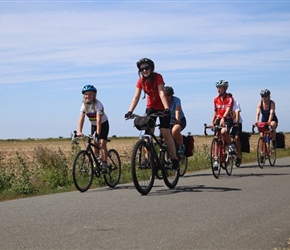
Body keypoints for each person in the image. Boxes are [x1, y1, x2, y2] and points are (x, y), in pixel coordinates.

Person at [124, 58, 179, 170]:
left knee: (165, 133)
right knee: (147, 133)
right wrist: (130, 111)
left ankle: (174, 158)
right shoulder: (140, 81)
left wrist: (167, 108)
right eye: (142, 69)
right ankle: (147, 159)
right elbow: (136, 97)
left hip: (163, 107)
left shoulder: (158, 77)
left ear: (151, 68)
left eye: (146, 68)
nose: (144, 70)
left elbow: (161, 93)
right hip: (151, 108)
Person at [77, 85, 110, 174]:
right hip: (94, 125)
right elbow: (81, 119)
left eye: (90, 94)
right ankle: (96, 161)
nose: (88, 96)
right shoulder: (83, 106)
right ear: (84, 96)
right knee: (94, 143)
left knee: (102, 142)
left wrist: (98, 134)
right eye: (86, 94)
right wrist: (79, 131)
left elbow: (99, 120)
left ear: (94, 95)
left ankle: (104, 164)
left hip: (103, 124)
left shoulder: (98, 104)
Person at [210, 80, 235, 168]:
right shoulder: (216, 99)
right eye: (217, 87)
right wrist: (212, 122)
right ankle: (216, 160)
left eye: (220, 87)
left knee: (224, 132)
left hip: (228, 118)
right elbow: (215, 111)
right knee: (216, 137)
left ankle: (231, 144)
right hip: (219, 118)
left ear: (225, 88)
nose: (218, 89)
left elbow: (228, 109)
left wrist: (224, 118)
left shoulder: (229, 98)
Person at [164, 86, 187, 154]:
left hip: (180, 120)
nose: (166, 97)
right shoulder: (162, 101)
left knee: (174, 131)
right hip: (168, 121)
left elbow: (177, 111)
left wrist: (177, 120)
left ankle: (181, 145)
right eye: (165, 95)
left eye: (168, 95)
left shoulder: (176, 100)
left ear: (171, 95)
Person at [231, 99, 243, 166]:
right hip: (228, 123)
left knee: (237, 137)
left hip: (236, 123)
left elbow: (237, 113)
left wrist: (237, 122)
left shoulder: (236, 103)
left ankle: (238, 155)